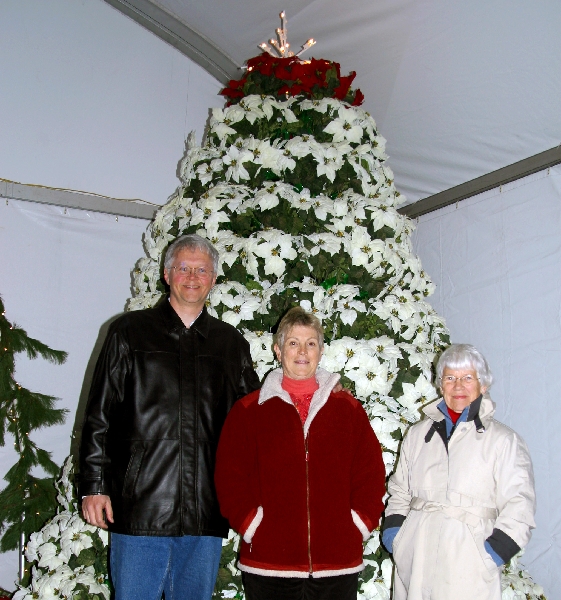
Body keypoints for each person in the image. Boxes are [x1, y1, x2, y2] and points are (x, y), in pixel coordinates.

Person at [79, 234, 261, 600]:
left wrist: (317, 386)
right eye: (183, 268)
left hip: (205, 510)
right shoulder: (128, 332)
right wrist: (94, 485)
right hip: (141, 506)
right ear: (166, 274)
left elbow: (253, 423)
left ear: (213, 279)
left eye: (201, 270)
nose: (192, 277)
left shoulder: (231, 344)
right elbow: (100, 413)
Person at [215, 307, 386, 600]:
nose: (302, 351)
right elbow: (229, 478)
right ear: (278, 350)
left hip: (337, 565)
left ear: (321, 350)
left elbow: (371, 473)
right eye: (293, 343)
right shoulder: (248, 411)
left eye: (311, 343)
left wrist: (357, 525)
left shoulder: (348, 410)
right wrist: (252, 525)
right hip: (269, 565)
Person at [382, 343, 536, 600]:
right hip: (416, 556)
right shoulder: (419, 435)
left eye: (467, 378)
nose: (458, 386)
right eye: (450, 378)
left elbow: (520, 503)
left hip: (470, 563)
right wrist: (396, 537)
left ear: (483, 385)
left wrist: (491, 554)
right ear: (440, 385)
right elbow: (399, 490)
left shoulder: (503, 440)